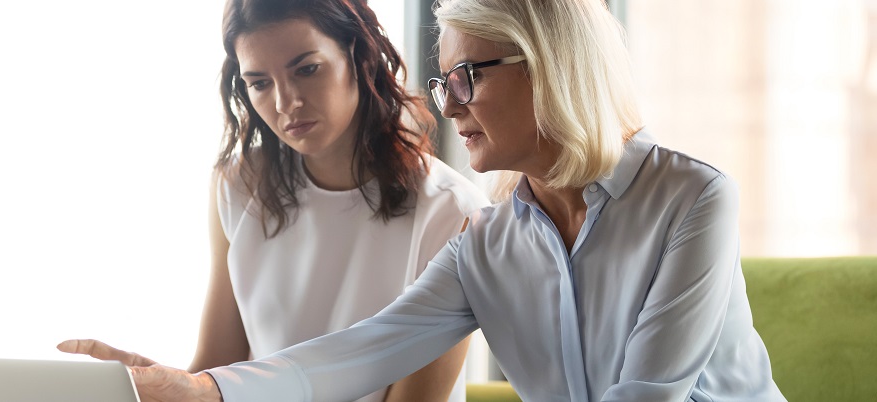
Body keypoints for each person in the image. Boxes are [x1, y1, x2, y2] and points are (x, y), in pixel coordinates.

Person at [59, 0, 787, 400]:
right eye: (443, 84)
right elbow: (356, 353)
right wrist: (198, 392)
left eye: (467, 77)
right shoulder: (489, 242)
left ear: (552, 66)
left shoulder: (690, 196)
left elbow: (647, 396)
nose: (449, 107)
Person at [62, 0, 488, 401]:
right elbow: (216, 372)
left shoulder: (453, 212)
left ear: (359, 55)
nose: (286, 103)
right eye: (259, 83)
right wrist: (143, 384)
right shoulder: (239, 184)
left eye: (307, 69)